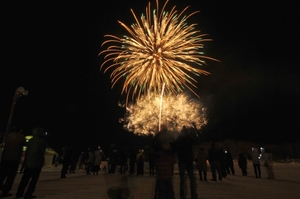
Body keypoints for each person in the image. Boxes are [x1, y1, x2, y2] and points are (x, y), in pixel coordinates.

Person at [16, 127, 48, 199]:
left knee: (24, 179)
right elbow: (43, 151)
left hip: (28, 163)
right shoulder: (42, 141)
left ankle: (19, 193)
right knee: (33, 180)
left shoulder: (30, 141)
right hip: (37, 163)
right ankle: (29, 193)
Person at [0, 126, 26, 198]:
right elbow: (24, 144)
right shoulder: (21, 137)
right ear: (19, 130)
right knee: (10, 177)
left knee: (2, 175)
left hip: (5, 158)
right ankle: (5, 191)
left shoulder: (8, 136)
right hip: (14, 159)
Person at [176, 127, 198, 199]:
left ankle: (183, 194)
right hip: (189, 160)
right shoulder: (189, 138)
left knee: (182, 178)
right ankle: (193, 194)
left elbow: (175, 146)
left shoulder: (179, 139)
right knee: (191, 177)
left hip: (182, 160)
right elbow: (195, 141)